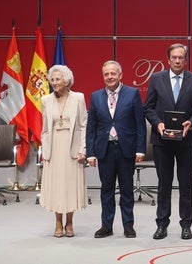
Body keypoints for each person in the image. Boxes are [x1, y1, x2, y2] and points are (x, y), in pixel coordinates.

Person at [143, 43, 192, 240]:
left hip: (186, 140)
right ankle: (162, 224)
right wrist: (158, 124)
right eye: (174, 57)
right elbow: (148, 108)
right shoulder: (156, 79)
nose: (178, 61)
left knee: (186, 184)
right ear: (168, 59)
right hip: (162, 141)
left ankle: (186, 225)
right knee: (164, 184)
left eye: (181, 57)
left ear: (185, 60)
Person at [86, 61, 147, 238]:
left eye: (113, 73)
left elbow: (140, 124)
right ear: (103, 76)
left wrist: (140, 149)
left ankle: (128, 225)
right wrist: (90, 152)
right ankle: (106, 226)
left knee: (127, 189)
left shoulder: (133, 93)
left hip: (125, 148)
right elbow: (92, 127)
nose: (110, 77)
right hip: (104, 149)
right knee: (106, 189)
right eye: (106, 74)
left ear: (120, 75)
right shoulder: (96, 96)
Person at [40, 65, 88, 238]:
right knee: (57, 186)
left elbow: (84, 125)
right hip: (54, 148)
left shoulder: (79, 98)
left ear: (67, 80)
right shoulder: (45, 100)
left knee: (70, 186)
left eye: (58, 79)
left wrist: (83, 149)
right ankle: (58, 222)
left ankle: (70, 222)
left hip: (72, 148)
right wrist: (44, 151)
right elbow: (45, 128)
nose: (54, 83)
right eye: (52, 80)